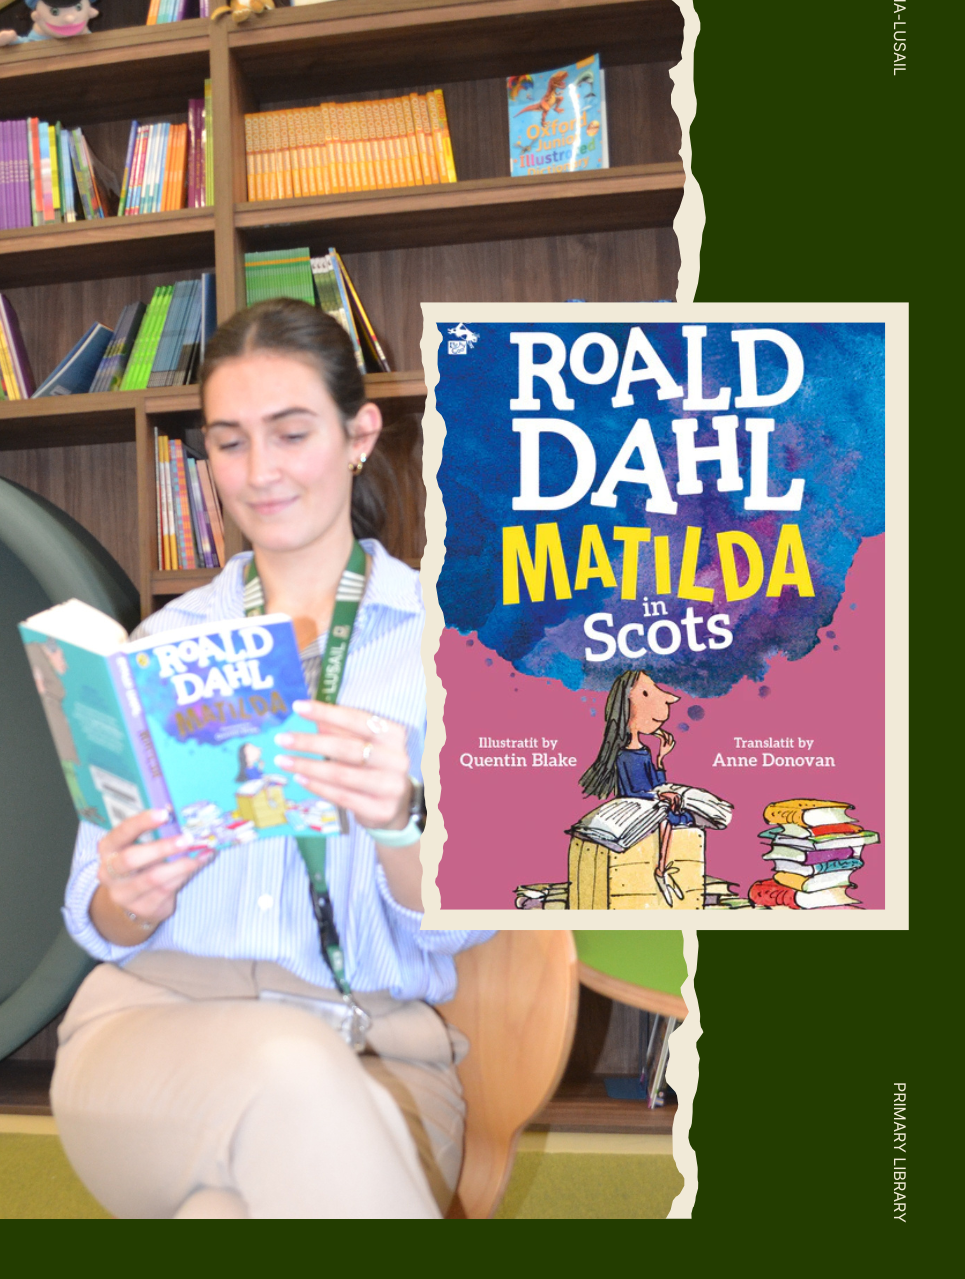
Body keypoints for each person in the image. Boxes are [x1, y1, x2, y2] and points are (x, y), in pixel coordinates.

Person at [50, 298, 494, 1219]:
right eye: (230, 442)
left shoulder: (456, 648)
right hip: (150, 1032)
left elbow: (465, 928)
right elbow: (95, 915)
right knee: (289, 1068)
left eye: (291, 434)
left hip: (379, 1052)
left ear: (359, 435)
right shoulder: (161, 647)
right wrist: (129, 897)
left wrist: (402, 819)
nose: (260, 473)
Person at [578, 669, 693, 905]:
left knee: (680, 812)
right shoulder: (622, 755)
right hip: (635, 808)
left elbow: (657, 785)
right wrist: (657, 797)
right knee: (666, 816)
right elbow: (630, 791)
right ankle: (661, 871)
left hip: (651, 804)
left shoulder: (645, 751)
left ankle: (664, 870)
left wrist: (661, 759)